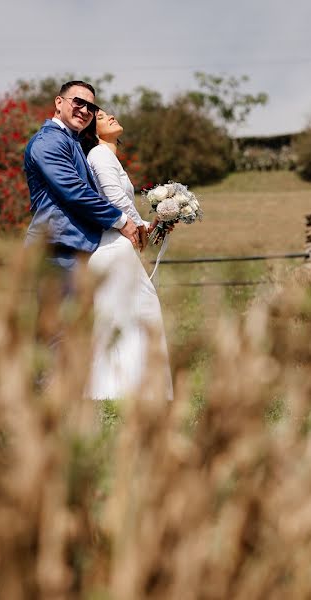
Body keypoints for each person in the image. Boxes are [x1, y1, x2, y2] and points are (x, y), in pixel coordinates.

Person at [79, 108, 173, 401]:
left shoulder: (109, 157)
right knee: (140, 310)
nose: (110, 117)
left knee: (130, 313)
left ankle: (131, 386)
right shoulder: (98, 154)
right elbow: (115, 199)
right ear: (93, 130)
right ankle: (127, 387)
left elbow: (120, 205)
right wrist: (140, 228)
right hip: (112, 246)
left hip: (119, 244)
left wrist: (155, 224)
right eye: (102, 117)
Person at [23, 80, 140, 278]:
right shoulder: (49, 140)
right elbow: (74, 191)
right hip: (56, 249)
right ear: (59, 103)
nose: (85, 110)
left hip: (76, 248)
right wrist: (122, 221)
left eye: (91, 107)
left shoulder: (70, 140)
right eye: (78, 102)